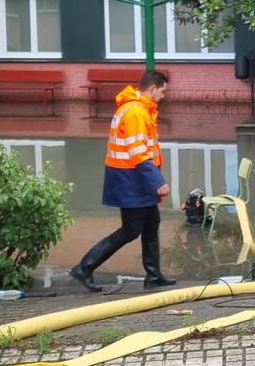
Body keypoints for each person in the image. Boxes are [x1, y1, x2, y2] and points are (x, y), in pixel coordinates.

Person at [69, 70, 177, 291]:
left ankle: (154, 276)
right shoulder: (136, 113)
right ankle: (84, 267)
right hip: (131, 180)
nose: (163, 96)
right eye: (163, 92)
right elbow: (138, 152)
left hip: (134, 179)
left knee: (151, 224)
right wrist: (158, 181)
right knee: (131, 230)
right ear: (153, 88)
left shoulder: (137, 109)